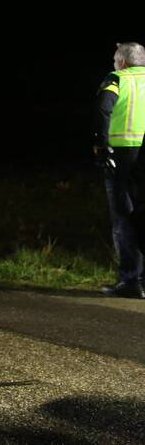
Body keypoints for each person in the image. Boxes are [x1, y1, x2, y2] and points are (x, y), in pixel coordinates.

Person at [96, 43, 145, 297]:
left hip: (122, 155)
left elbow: (104, 107)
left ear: (124, 62)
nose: (114, 62)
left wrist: (100, 145)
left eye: (115, 58)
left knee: (122, 217)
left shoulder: (116, 78)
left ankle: (130, 280)